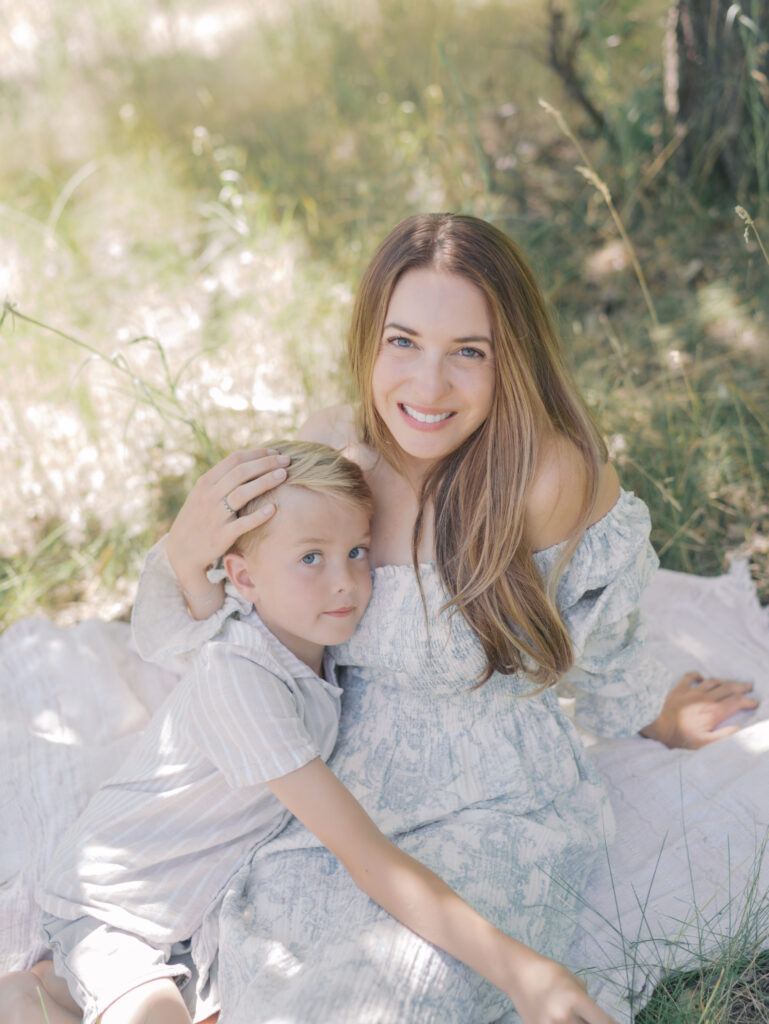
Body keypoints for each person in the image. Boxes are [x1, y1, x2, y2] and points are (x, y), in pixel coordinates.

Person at [9, 214, 758, 1024]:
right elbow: (237, 626)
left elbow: (599, 627)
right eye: (402, 342)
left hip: (492, 803)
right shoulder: (341, 458)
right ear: (369, 340)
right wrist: (188, 548)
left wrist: (651, 709)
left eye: (467, 351)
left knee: (397, 1001)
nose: (426, 388)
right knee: (273, 982)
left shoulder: (547, 475)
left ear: (512, 358)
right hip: (333, 782)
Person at [3, 441, 626, 1024]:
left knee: (72, 1000)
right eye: (310, 558)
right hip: (117, 914)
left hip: (191, 912)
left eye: (357, 551)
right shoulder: (242, 682)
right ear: (243, 579)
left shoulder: (310, 641)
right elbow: (369, 858)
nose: (344, 582)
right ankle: (48, 986)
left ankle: (45, 987)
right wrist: (518, 969)